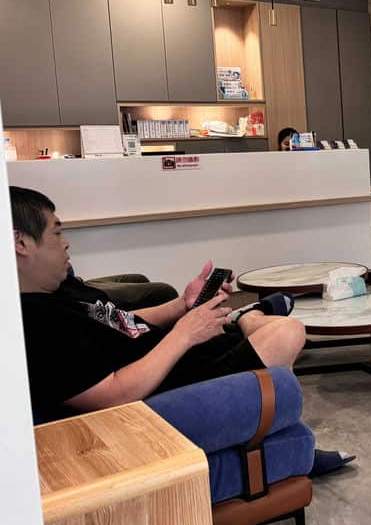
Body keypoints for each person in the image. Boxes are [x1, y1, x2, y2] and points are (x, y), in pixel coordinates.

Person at [11, 186, 353, 474]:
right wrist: (183, 334)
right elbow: (113, 395)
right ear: (20, 243)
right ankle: (248, 325)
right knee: (287, 332)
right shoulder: (34, 322)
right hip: (170, 387)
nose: (66, 243)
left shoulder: (61, 288)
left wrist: (182, 306)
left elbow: (122, 321)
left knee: (273, 332)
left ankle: (246, 326)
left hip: (174, 357)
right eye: (56, 232)